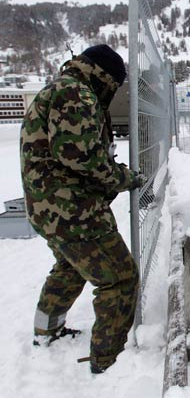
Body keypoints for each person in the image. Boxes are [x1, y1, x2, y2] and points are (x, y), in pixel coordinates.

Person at [20, 44, 146, 374]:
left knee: (71, 266)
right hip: (73, 212)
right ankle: (109, 362)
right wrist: (124, 177)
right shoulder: (75, 92)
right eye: (115, 85)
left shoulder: (61, 87)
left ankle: (47, 330)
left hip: (48, 209)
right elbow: (81, 156)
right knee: (120, 278)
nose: (114, 92)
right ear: (104, 76)